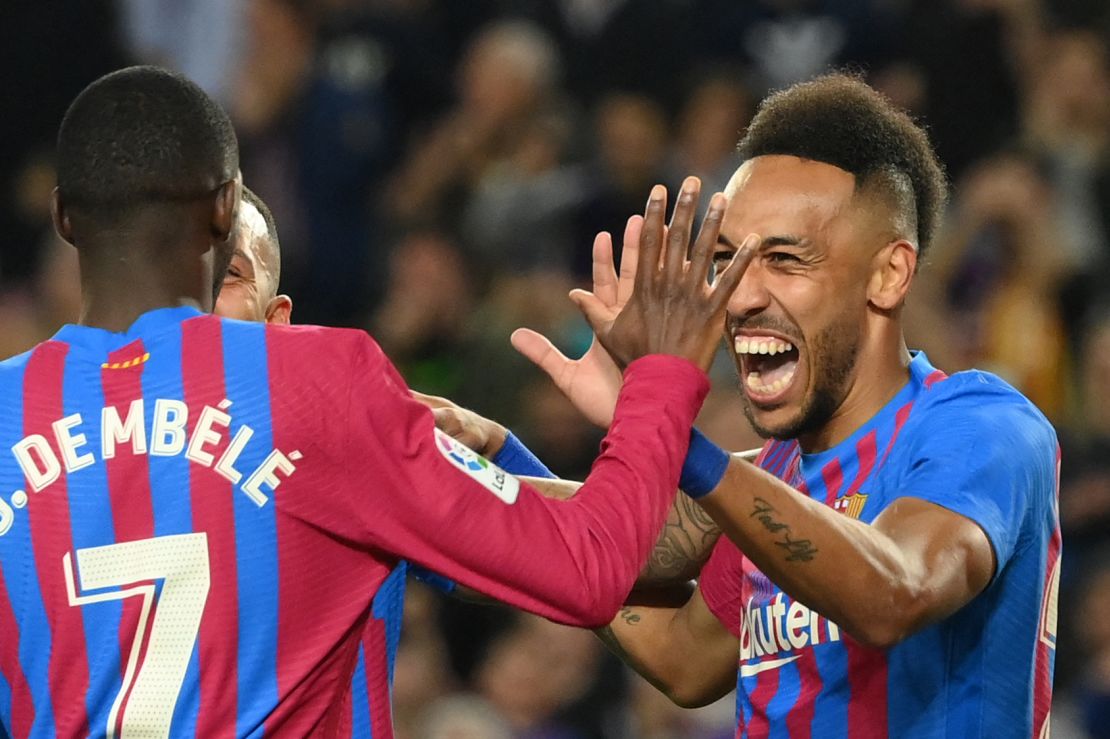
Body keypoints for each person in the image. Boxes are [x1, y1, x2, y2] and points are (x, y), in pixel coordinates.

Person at [0, 65, 749, 737]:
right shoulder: (320, 385)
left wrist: (498, 450)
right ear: (224, 205)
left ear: (64, 217)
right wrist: (662, 375)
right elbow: (592, 564)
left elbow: (634, 575)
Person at [494, 73, 1060, 737]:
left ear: (889, 274)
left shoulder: (981, 426)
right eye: (729, 260)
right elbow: (683, 657)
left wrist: (668, 424)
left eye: (786, 260)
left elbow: (894, 591)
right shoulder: (780, 473)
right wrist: (481, 460)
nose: (738, 297)